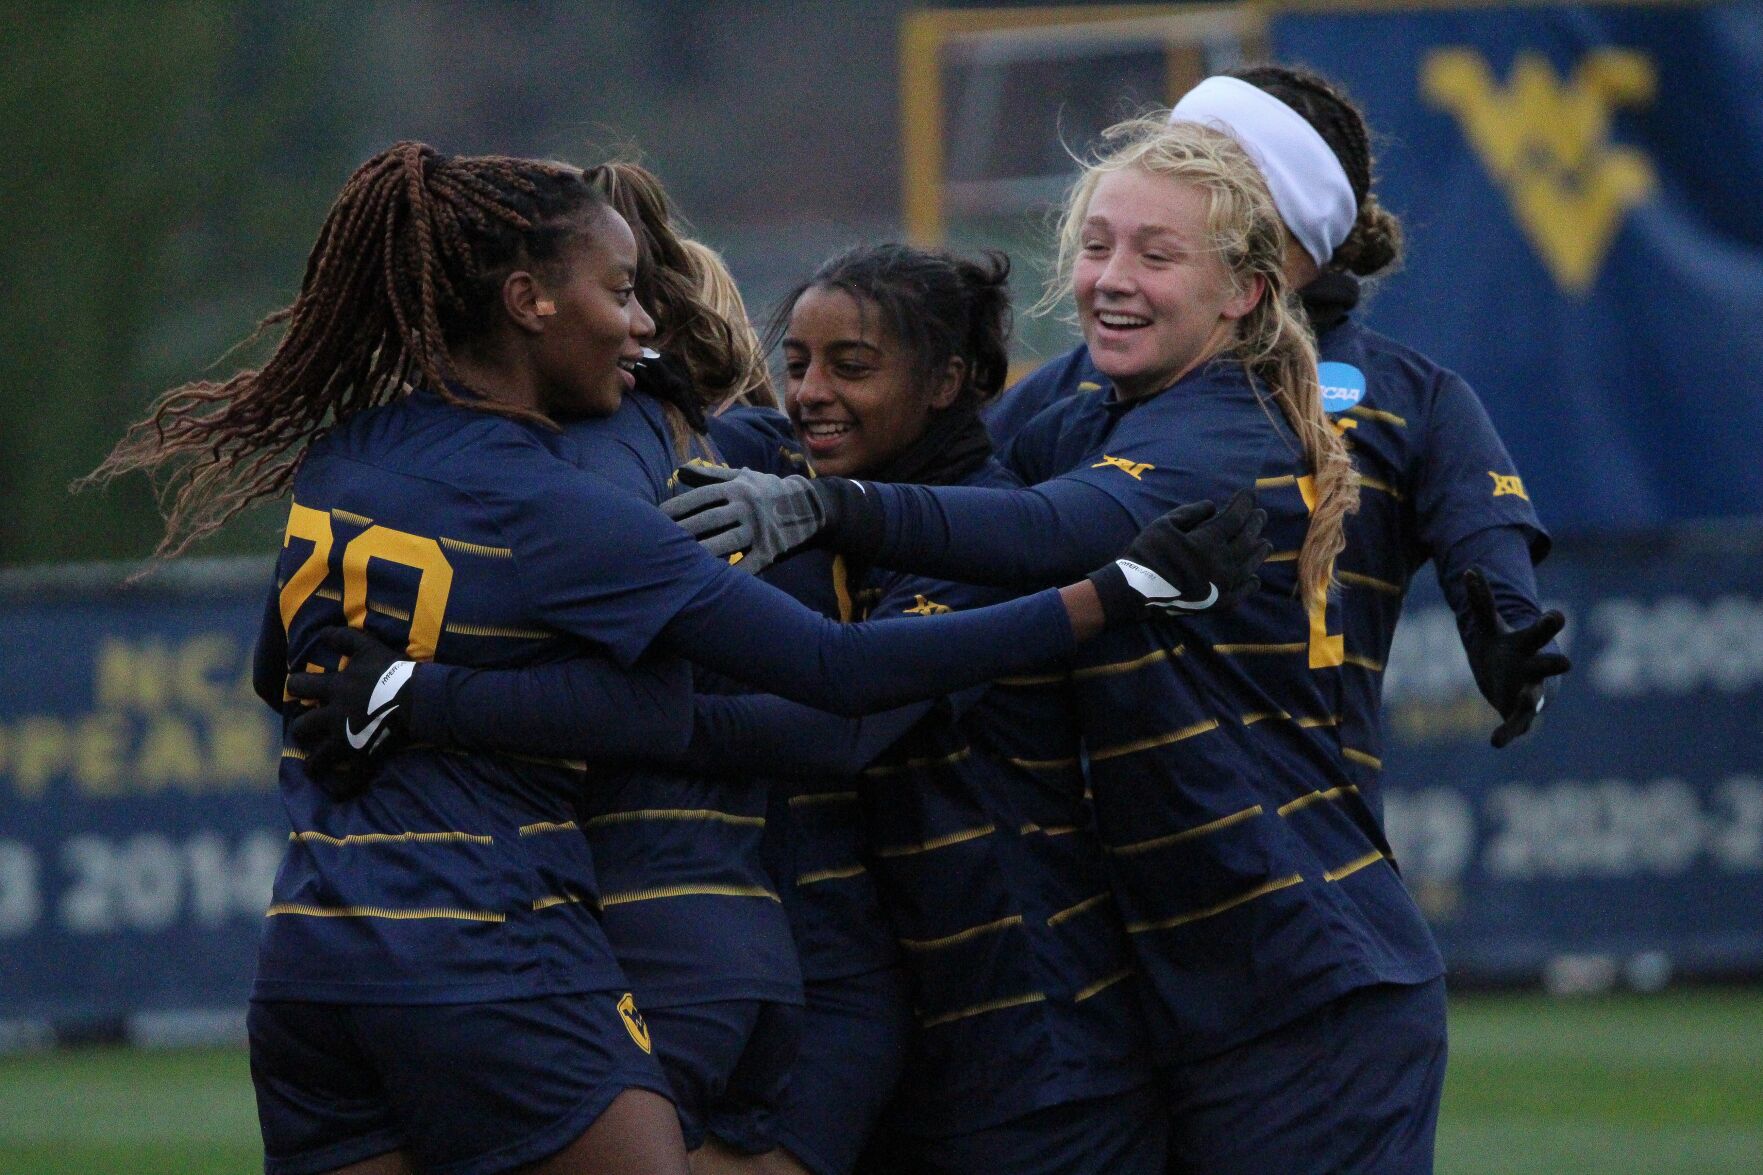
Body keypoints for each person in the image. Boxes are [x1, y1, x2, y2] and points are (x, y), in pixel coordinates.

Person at [79, 141, 1263, 1175]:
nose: (640, 324)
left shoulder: (351, 455)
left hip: (309, 965)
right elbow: (833, 678)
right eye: (619, 292)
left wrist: (415, 692)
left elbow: (288, 675)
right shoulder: (569, 503)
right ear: (531, 301)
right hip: (494, 950)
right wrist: (1114, 593)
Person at [662, 115, 1470, 1173]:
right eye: (1095, 246)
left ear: (1243, 292)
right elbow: (877, 429)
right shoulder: (1082, 405)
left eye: (1155, 252)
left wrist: (824, 511)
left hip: (1294, 985)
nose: (1109, 278)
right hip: (1171, 998)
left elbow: (1035, 537)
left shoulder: (1217, 424)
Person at [991, 65, 1569, 759]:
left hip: (1312, 839)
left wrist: (1510, 649)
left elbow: (1496, 582)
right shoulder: (1067, 391)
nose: (1176, 185)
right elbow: (945, 544)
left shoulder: (1416, 399)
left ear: (1287, 231)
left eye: (1213, 175)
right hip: (1084, 846)